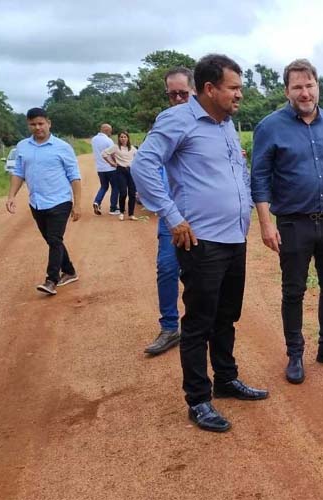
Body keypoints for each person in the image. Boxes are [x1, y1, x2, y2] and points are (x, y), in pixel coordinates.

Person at [132, 54, 267, 433]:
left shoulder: (226, 124)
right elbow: (144, 165)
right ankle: (198, 399)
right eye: (233, 88)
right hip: (201, 240)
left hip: (233, 237)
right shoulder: (178, 120)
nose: (239, 94)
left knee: (227, 316)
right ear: (210, 89)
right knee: (199, 323)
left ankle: (226, 379)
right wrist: (172, 216)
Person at [252, 59, 323, 385]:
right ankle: (295, 353)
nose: (305, 93)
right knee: (294, 290)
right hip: (292, 223)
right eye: (297, 87)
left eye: (309, 85)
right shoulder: (269, 127)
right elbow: (258, 178)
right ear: (287, 91)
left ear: (318, 86)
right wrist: (265, 224)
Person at [143, 66, 194, 357]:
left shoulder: (210, 122)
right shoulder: (164, 124)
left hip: (202, 214)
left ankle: (199, 323)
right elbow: (148, 165)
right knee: (167, 267)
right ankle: (170, 326)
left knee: (200, 272)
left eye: (183, 93)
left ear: (195, 91)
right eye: (172, 94)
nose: (177, 98)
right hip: (172, 213)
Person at [6, 107, 82, 295]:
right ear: (28, 125)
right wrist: (11, 196)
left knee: (55, 239)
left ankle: (51, 280)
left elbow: (75, 177)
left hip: (60, 201)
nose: (37, 128)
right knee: (51, 240)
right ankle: (70, 271)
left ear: (49, 123)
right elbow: (18, 173)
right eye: (33, 124)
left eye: (41, 123)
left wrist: (77, 204)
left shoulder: (62, 147)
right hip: (37, 202)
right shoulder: (23, 146)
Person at [102, 131, 138, 221]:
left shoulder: (132, 148)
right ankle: (121, 212)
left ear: (128, 138)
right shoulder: (116, 147)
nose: (123, 138)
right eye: (121, 137)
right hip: (120, 171)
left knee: (132, 193)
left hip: (131, 171)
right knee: (123, 193)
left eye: (125, 137)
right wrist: (111, 163)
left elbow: (139, 158)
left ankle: (131, 214)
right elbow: (104, 154)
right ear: (119, 138)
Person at [90, 123, 118, 216]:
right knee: (115, 187)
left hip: (100, 168)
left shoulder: (93, 139)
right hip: (110, 168)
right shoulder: (108, 140)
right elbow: (112, 153)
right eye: (110, 131)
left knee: (104, 186)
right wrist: (116, 163)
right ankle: (113, 208)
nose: (111, 132)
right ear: (106, 130)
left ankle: (97, 202)